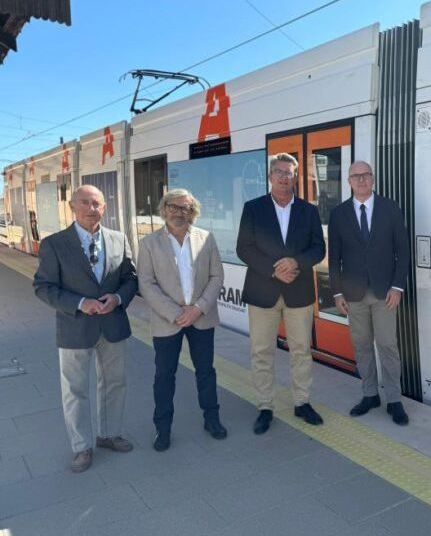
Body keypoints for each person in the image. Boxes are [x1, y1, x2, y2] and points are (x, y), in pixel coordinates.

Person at [32, 185, 137, 473]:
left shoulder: (118, 239)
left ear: (105, 207)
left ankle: (109, 434)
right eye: (85, 203)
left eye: (97, 203)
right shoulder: (54, 244)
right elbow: (43, 287)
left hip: (113, 325)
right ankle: (81, 447)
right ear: (71, 206)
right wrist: (80, 303)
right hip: (75, 327)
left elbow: (130, 279)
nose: (92, 209)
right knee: (75, 390)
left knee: (115, 383)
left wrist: (118, 298)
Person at [237, 153, 326, 433]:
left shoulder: (309, 211)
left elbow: (318, 249)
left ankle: (302, 402)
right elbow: (244, 248)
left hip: (299, 292)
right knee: (261, 351)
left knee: (301, 351)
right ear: (270, 176)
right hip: (262, 291)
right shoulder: (253, 208)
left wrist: (296, 262)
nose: (284, 177)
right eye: (279, 172)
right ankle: (265, 406)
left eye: (289, 173)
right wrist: (274, 270)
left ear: (295, 177)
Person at [137, 189, 227, 451]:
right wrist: (177, 313)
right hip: (168, 321)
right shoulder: (149, 243)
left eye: (185, 208)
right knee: (164, 375)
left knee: (206, 371)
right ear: (164, 209)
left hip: (201, 318)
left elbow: (217, 276)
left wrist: (197, 309)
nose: (179, 212)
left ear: (192, 212)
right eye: (173, 207)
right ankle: (162, 428)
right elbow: (146, 283)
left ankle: (212, 419)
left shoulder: (206, 238)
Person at [328, 161, 411, 425]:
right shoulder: (339, 214)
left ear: (372, 179)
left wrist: (397, 287)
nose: (361, 180)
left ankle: (394, 399)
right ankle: (370, 394)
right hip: (353, 294)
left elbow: (403, 251)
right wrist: (337, 293)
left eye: (365, 175)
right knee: (362, 345)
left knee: (387, 344)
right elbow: (334, 258)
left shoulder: (390, 208)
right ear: (349, 181)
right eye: (356, 176)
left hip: (385, 292)